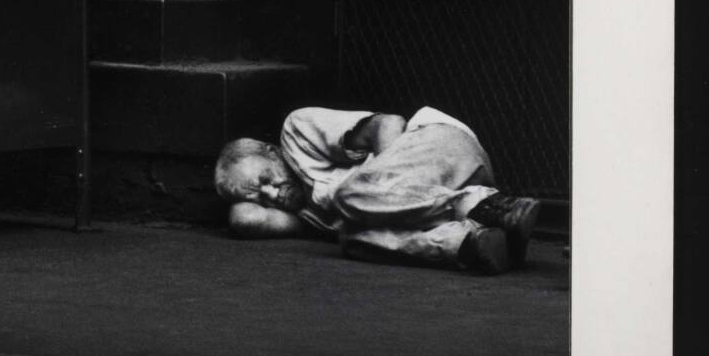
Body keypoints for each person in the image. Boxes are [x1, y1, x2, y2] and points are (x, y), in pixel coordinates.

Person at [214, 105, 540, 274]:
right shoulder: (303, 214)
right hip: (445, 193)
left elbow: (389, 124)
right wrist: (243, 194)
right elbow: (245, 219)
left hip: (443, 148)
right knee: (352, 240)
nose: (273, 195)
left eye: (266, 180)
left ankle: (479, 205)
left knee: (347, 196)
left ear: (271, 152)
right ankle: (472, 242)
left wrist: (382, 189)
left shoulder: (296, 132)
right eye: (260, 198)